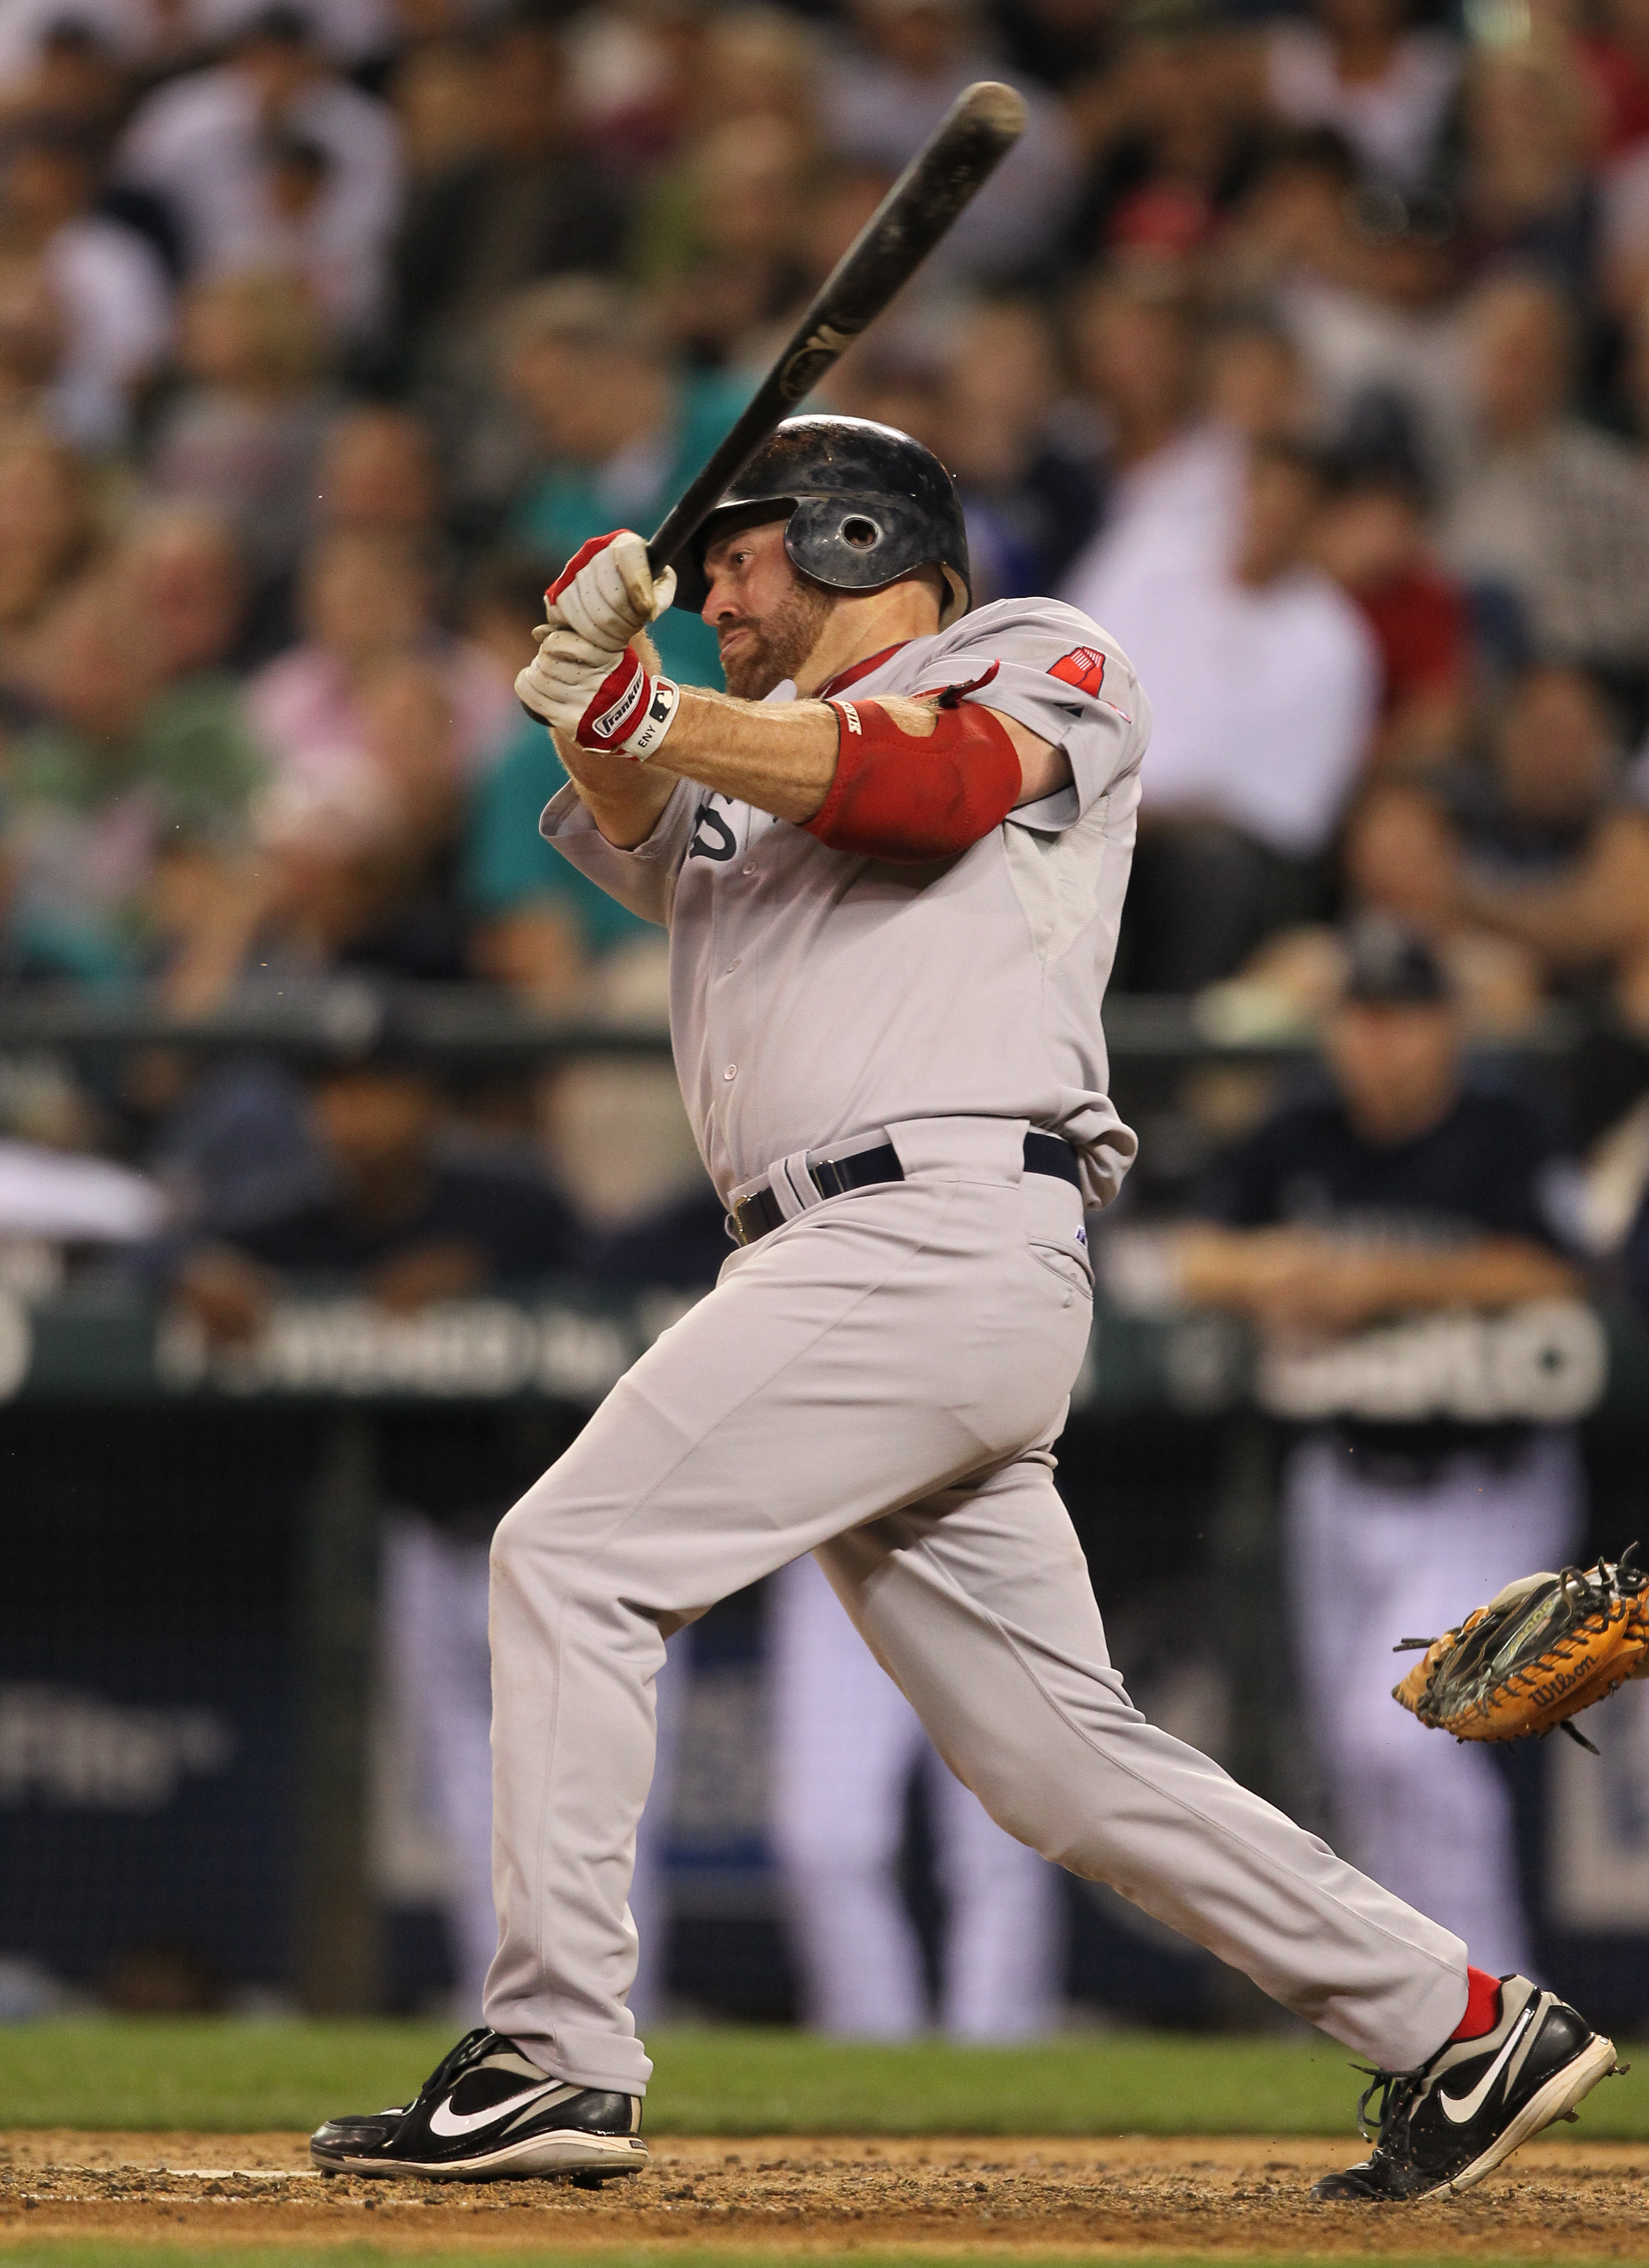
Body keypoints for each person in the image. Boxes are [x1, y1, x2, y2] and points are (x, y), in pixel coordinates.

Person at [310, 413, 1616, 2202]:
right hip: (844, 1262)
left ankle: (554, 2050)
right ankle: (1455, 2023)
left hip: (924, 1234)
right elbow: (656, 822)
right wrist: (587, 697)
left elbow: (916, 783)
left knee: (569, 1555)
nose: (718, 597)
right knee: (1056, 1764)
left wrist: (641, 702)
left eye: (743, 558)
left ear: (856, 537)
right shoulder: (752, 753)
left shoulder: (1031, 651)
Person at [1177, 919, 1591, 1975]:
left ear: (1447, 1027)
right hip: (1342, 1481)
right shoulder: (1302, 1130)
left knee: (1400, 1733)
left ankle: (1497, 2006)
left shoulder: (1503, 1126)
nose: (1383, 1041)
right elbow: (1195, 1258)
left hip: (1485, 1477)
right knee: (1357, 1771)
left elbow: (1560, 1274)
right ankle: (1430, 2017)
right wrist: (1282, 1267)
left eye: (1404, 1017)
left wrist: (1380, 1283)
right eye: (1363, 1017)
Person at [769, 1551, 1063, 2039]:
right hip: (836, 1544)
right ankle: (873, 2063)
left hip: (981, 1539)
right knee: (825, 1845)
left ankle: (999, 2063)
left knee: (1003, 1842)